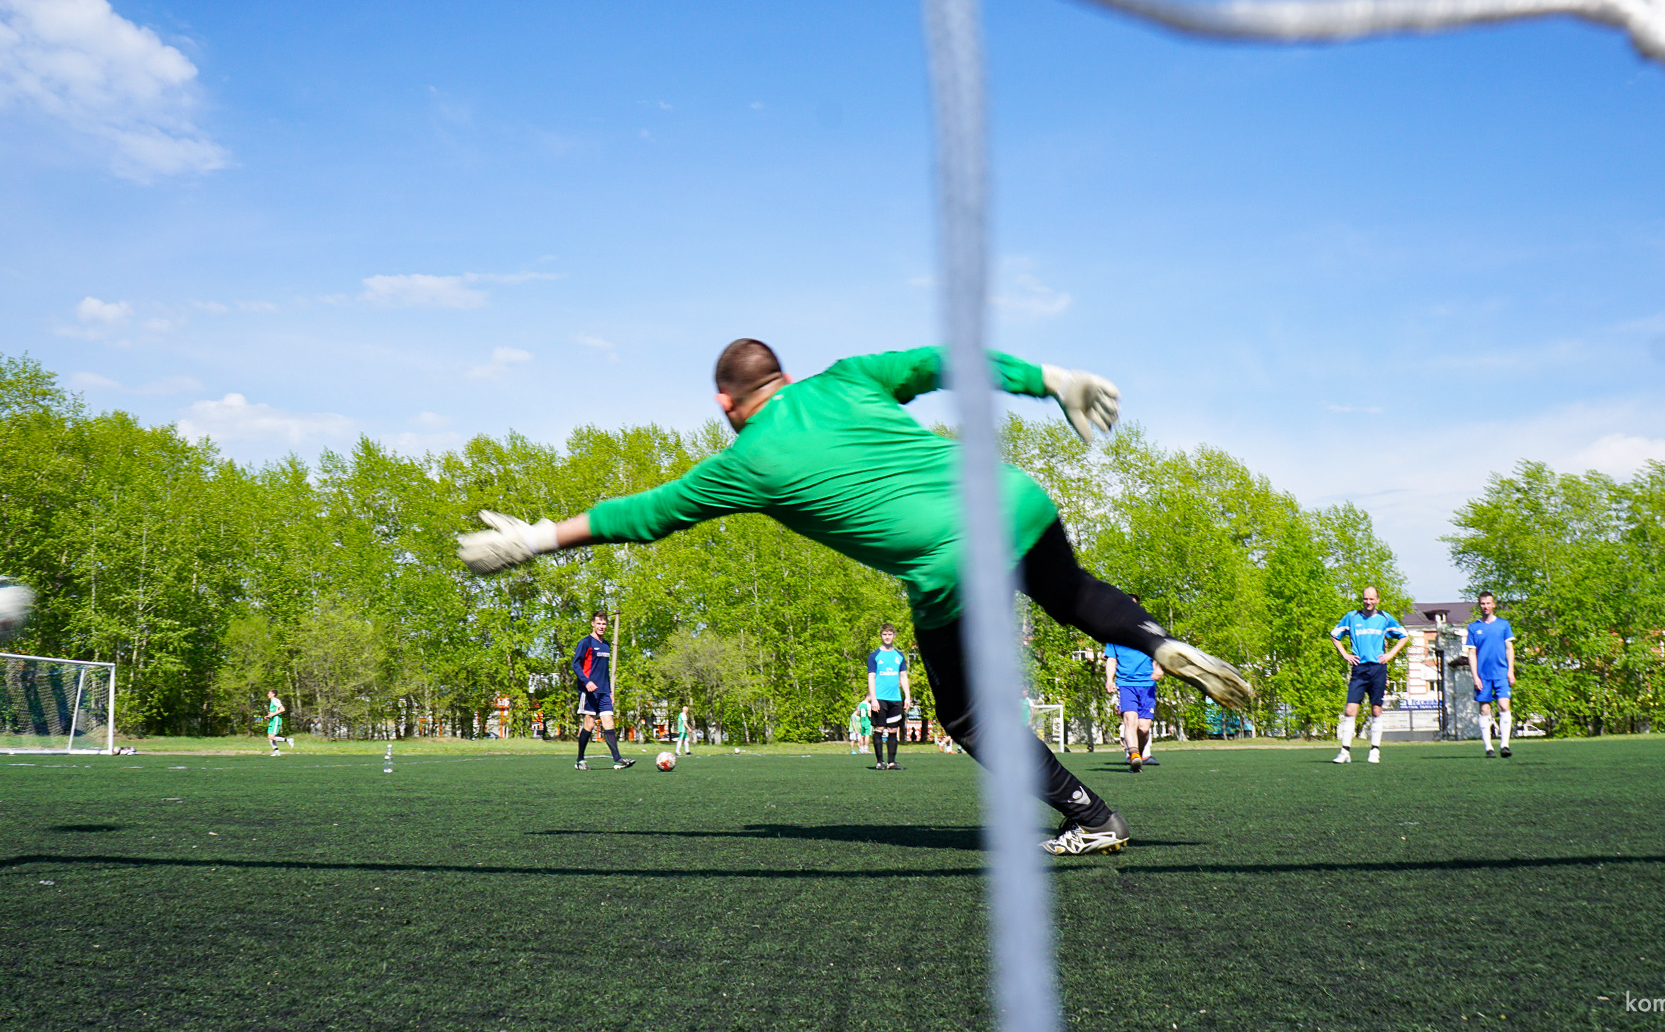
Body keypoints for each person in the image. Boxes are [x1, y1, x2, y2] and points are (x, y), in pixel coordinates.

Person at [457, 339, 1251, 856]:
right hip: (1012, 497)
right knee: (1068, 591)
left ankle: (1091, 817)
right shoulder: (846, 380)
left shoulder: (744, 464)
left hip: (947, 564)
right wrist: (1051, 380)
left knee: (969, 718)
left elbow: (646, 516)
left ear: (726, 406)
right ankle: (1154, 640)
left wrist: (534, 538)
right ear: (786, 377)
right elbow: (948, 361)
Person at [1329, 586, 1409, 764]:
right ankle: (1345, 751)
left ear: (1378, 600)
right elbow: (1335, 635)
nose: (1368, 602)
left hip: (1378, 669)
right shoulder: (1352, 617)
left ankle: (1374, 750)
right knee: (1350, 710)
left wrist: (1390, 654)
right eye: (1366, 599)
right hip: (1359, 669)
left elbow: (1404, 636)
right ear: (1363, 599)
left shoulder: (1385, 618)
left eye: (1372, 599)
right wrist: (1345, 654)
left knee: (1376, 709)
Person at [1104, 594, 1163, 772]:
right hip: (1125, 683)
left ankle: (1139, 752)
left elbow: (1158, 653)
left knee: (1144, 728)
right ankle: (1134, 756)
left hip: (1147, 683)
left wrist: (1158, 668)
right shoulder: (1114, 634)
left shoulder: (1148, 631)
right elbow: (1111, 660)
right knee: (1130, 720)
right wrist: (1109, 679)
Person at [572, 611, 636, 770]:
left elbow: (605, 671)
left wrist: (610, 691)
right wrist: (586, 682)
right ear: (593, 624)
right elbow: (575, 665)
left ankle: (617, 760)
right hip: (588, 692)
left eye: (604, 624)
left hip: (604, 692)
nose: (601, 626)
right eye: (599, 623)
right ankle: (579, 760)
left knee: (609, 721)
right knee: (589, 724)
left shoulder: (606, 644)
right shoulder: (585, 643)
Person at [1466, 591, 1516, 758]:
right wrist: (1475, 677)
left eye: (1488, 603)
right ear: (1479, 605)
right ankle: (1489, 748)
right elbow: (1471, 653)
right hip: (1483, 675)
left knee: (1504, 706)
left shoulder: (1503, 625)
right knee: (1485, 709)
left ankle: (1505, 745)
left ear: (1493, 604)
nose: (1485, 606)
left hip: (1501, 673)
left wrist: (1510, 671)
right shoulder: (1474, 627)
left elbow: (1509, 648)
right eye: (1482, 603)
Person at [865, 622, 913, 771]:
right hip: (880, 698)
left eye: (890, 634)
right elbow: (871, 678)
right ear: (881, 636)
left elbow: (903, 677)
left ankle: (891, 762)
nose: (887, 637)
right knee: (879, 728)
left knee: (893, 730)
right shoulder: (874, 656)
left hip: (895, 699)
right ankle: (880, 762)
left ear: (894, 636)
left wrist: (907, 697)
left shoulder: (899, 656)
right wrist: (873, 699)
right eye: (884, 634)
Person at [264, 688, 293, 756]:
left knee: (273, 737)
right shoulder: (271, 702)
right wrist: (268, 716)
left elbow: (282, 709)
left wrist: (272, 715)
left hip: (276, 720)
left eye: (269, 693)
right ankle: (276, 751)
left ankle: (288, 740)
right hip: (272, 720)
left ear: (273, 694)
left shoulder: (275, 700)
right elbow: (273, 712)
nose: (268, 695)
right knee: (269, 737)